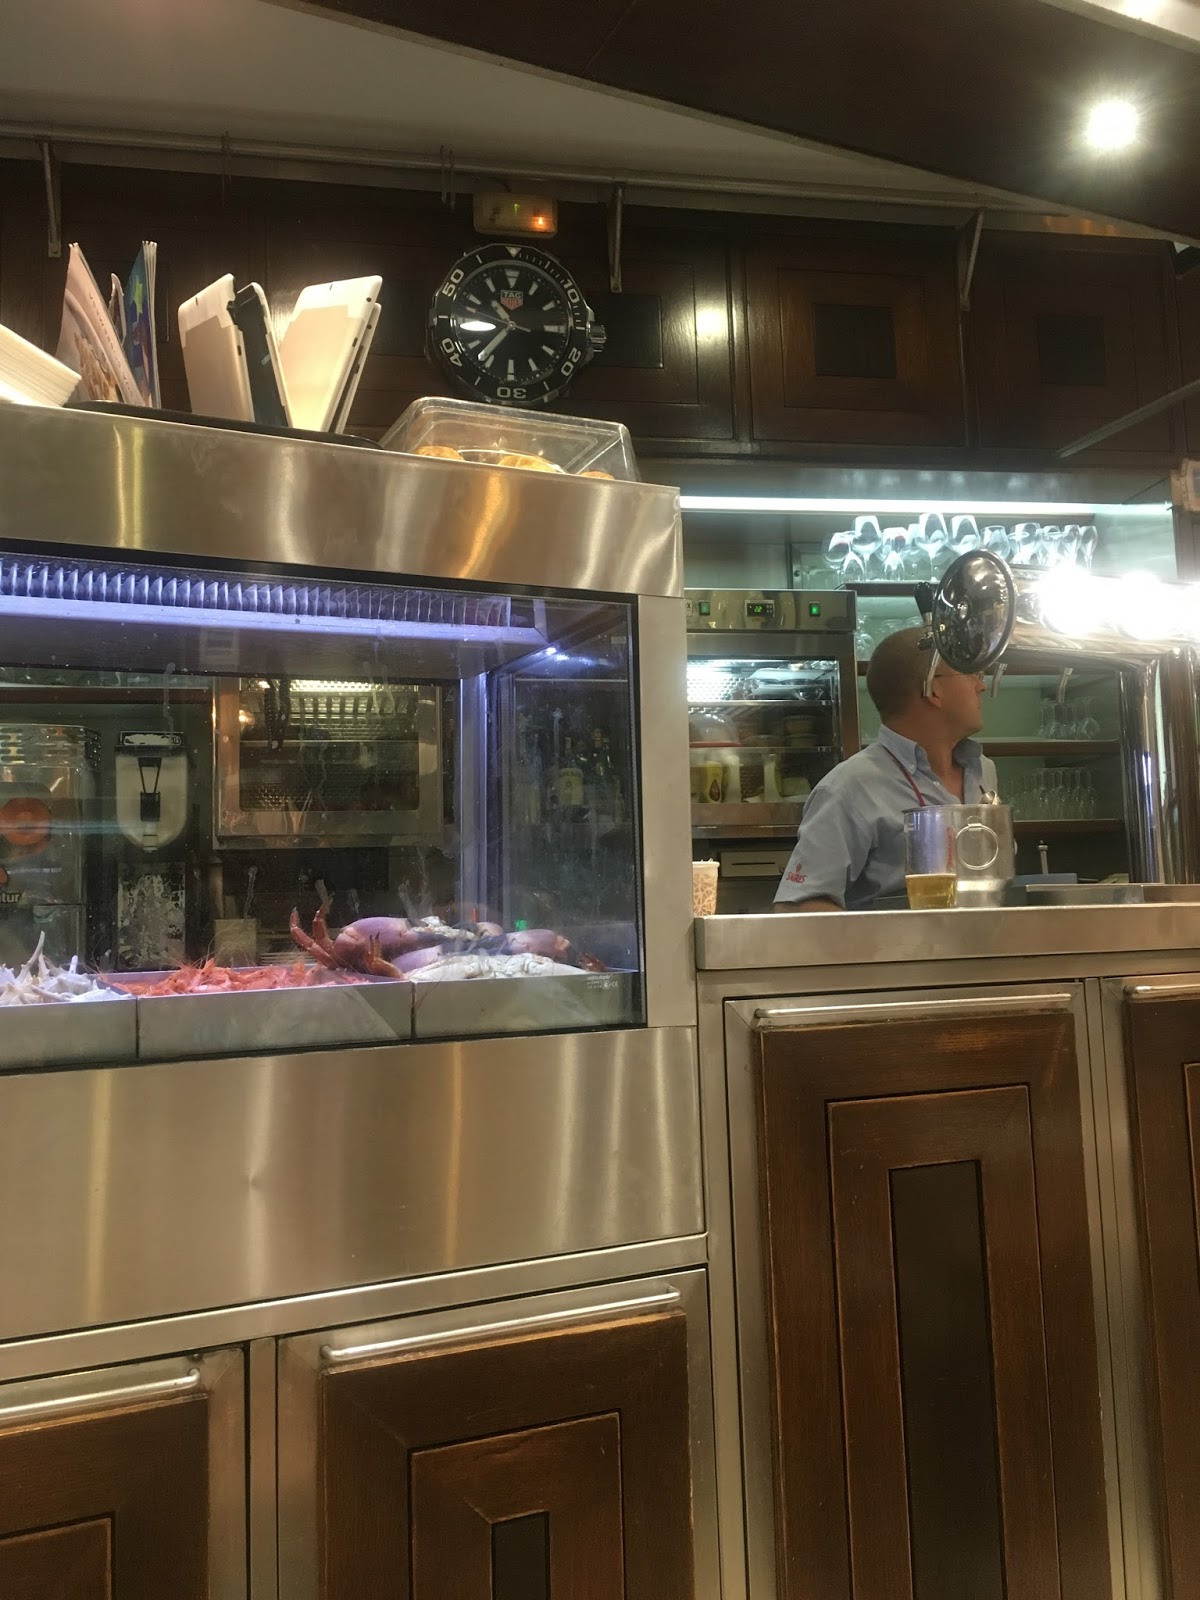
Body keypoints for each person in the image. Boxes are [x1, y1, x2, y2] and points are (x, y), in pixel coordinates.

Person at [774, 626, 997, 911]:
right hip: (903, 941)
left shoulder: (982, 770)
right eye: (970, 674)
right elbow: (798, 907)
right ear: (933, 689)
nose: (981, 685)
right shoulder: (849, 788)